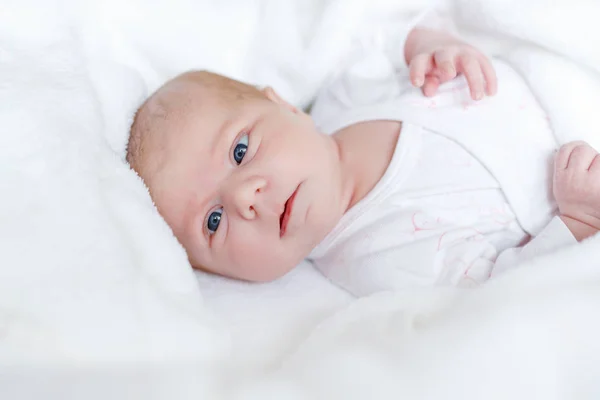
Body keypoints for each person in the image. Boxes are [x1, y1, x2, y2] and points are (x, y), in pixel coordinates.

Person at [126, 10, 599, 295]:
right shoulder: (379, 260)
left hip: (559, 74)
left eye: (240, 149)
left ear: (285, 105)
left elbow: (388, 33)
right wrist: (578, 219)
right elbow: (506, 290)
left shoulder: (346, 97)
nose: (245, 197)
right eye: (213, 220)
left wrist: (434, 47)